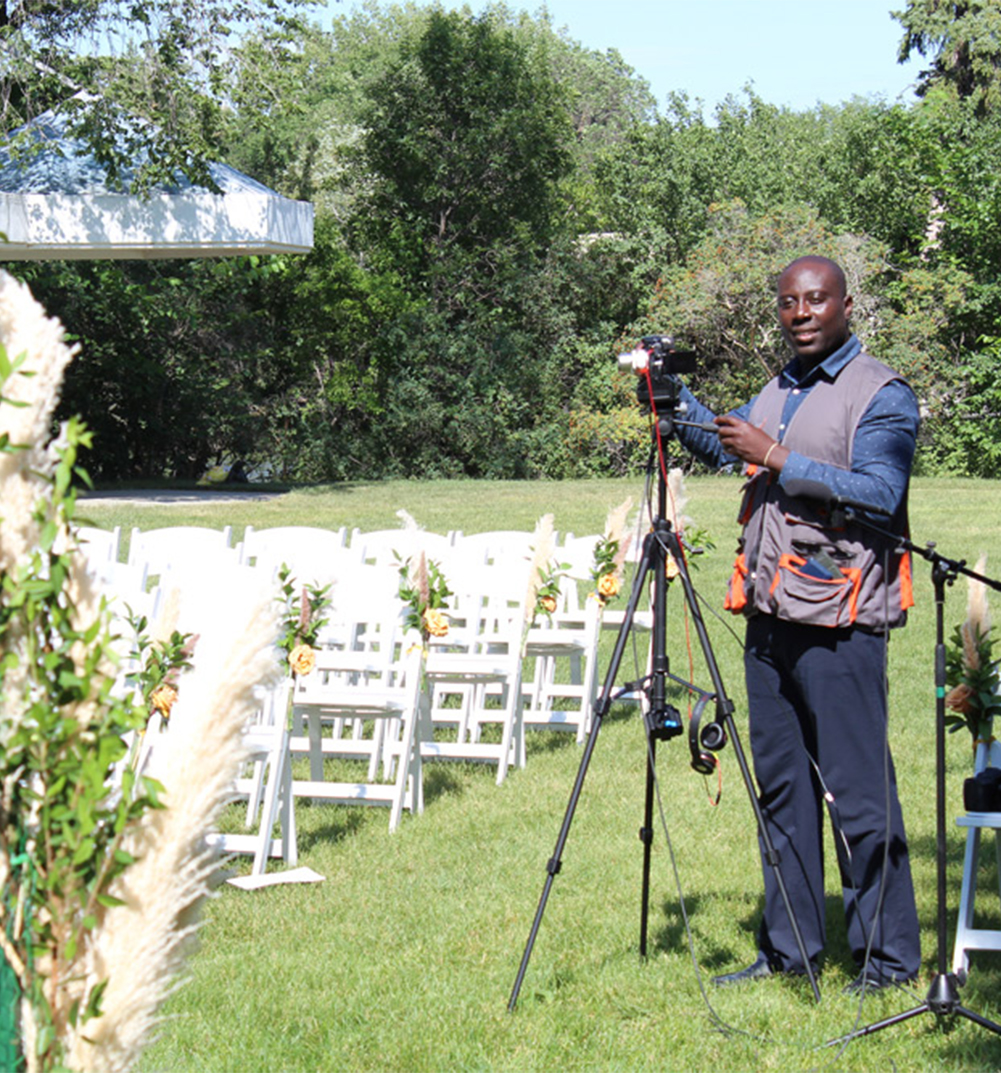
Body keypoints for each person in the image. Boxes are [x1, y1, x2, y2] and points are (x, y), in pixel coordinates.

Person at [674, 255, 921, 992]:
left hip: (842, 623)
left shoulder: (880, 392)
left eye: (815, 300)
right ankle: (791, 949)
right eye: (787, 303)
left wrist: (776, 455)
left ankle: (888, 960)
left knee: (858, 793)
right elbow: (730, 446)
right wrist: (672, 399)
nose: (801, 313)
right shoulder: (777, 386)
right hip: (770, 615)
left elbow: (879, 490)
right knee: (780, 789)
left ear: (845, 304)